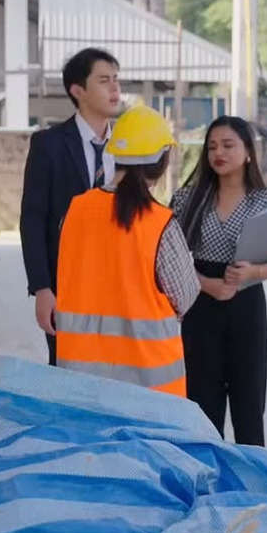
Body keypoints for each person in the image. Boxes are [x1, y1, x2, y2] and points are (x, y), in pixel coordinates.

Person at [52, 105, 201, 395]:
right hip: (149, 390)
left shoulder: (75, 211)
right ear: (162, 160)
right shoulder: (159, 222)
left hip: (81, 385)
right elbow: (185, 296)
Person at [170, 117, 267, 445]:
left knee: (249, 406)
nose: (219, 153)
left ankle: (251, 474)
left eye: (228, 145)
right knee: (201, 406)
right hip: (200, 306)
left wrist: (252, 273)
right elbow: (171, 259)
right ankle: (205, 473)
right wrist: (207, 284)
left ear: (248, 152)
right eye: (212, 147)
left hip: (247, 307)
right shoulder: (187, 199)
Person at [21, 47, 125, 366]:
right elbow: (33, 219)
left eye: (116, 79)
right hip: (66, 283)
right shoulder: (49, 144)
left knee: (116, 372)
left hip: (118, 283)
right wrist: (42, 288)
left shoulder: (127, 146)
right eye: (104, 81)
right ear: (78, 90)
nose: (115, 88)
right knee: (67, 372)